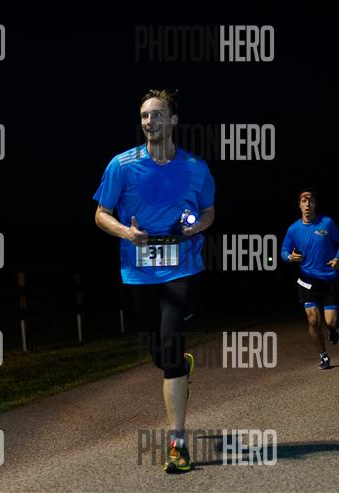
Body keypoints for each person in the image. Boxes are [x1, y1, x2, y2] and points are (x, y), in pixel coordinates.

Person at [93, 89, 215, 472]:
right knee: (160, 354)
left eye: (158, 114)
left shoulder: (195, 167)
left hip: (183, 268)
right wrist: (126, 233)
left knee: (171, 344)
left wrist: (195, 228)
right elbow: (101, 214)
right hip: (138, 271)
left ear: (173, 120)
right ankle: (176, 363)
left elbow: (209, 211)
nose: (150, 121)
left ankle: (177, 444)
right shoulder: (122, 165)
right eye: (145, 115)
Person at [281, 188, 339, 370]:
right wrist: (290, 257)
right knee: (312, 320)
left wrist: (337, 258)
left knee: (331, 321)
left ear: (315, 204)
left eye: (310, 200)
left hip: (330, 278)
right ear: (299, 205)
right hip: (307, 280)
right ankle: (323, 356)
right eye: (304, 201)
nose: (307, 204)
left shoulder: (328, 223)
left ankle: (333, 329)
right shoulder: (293, 229)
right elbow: (284, 251)